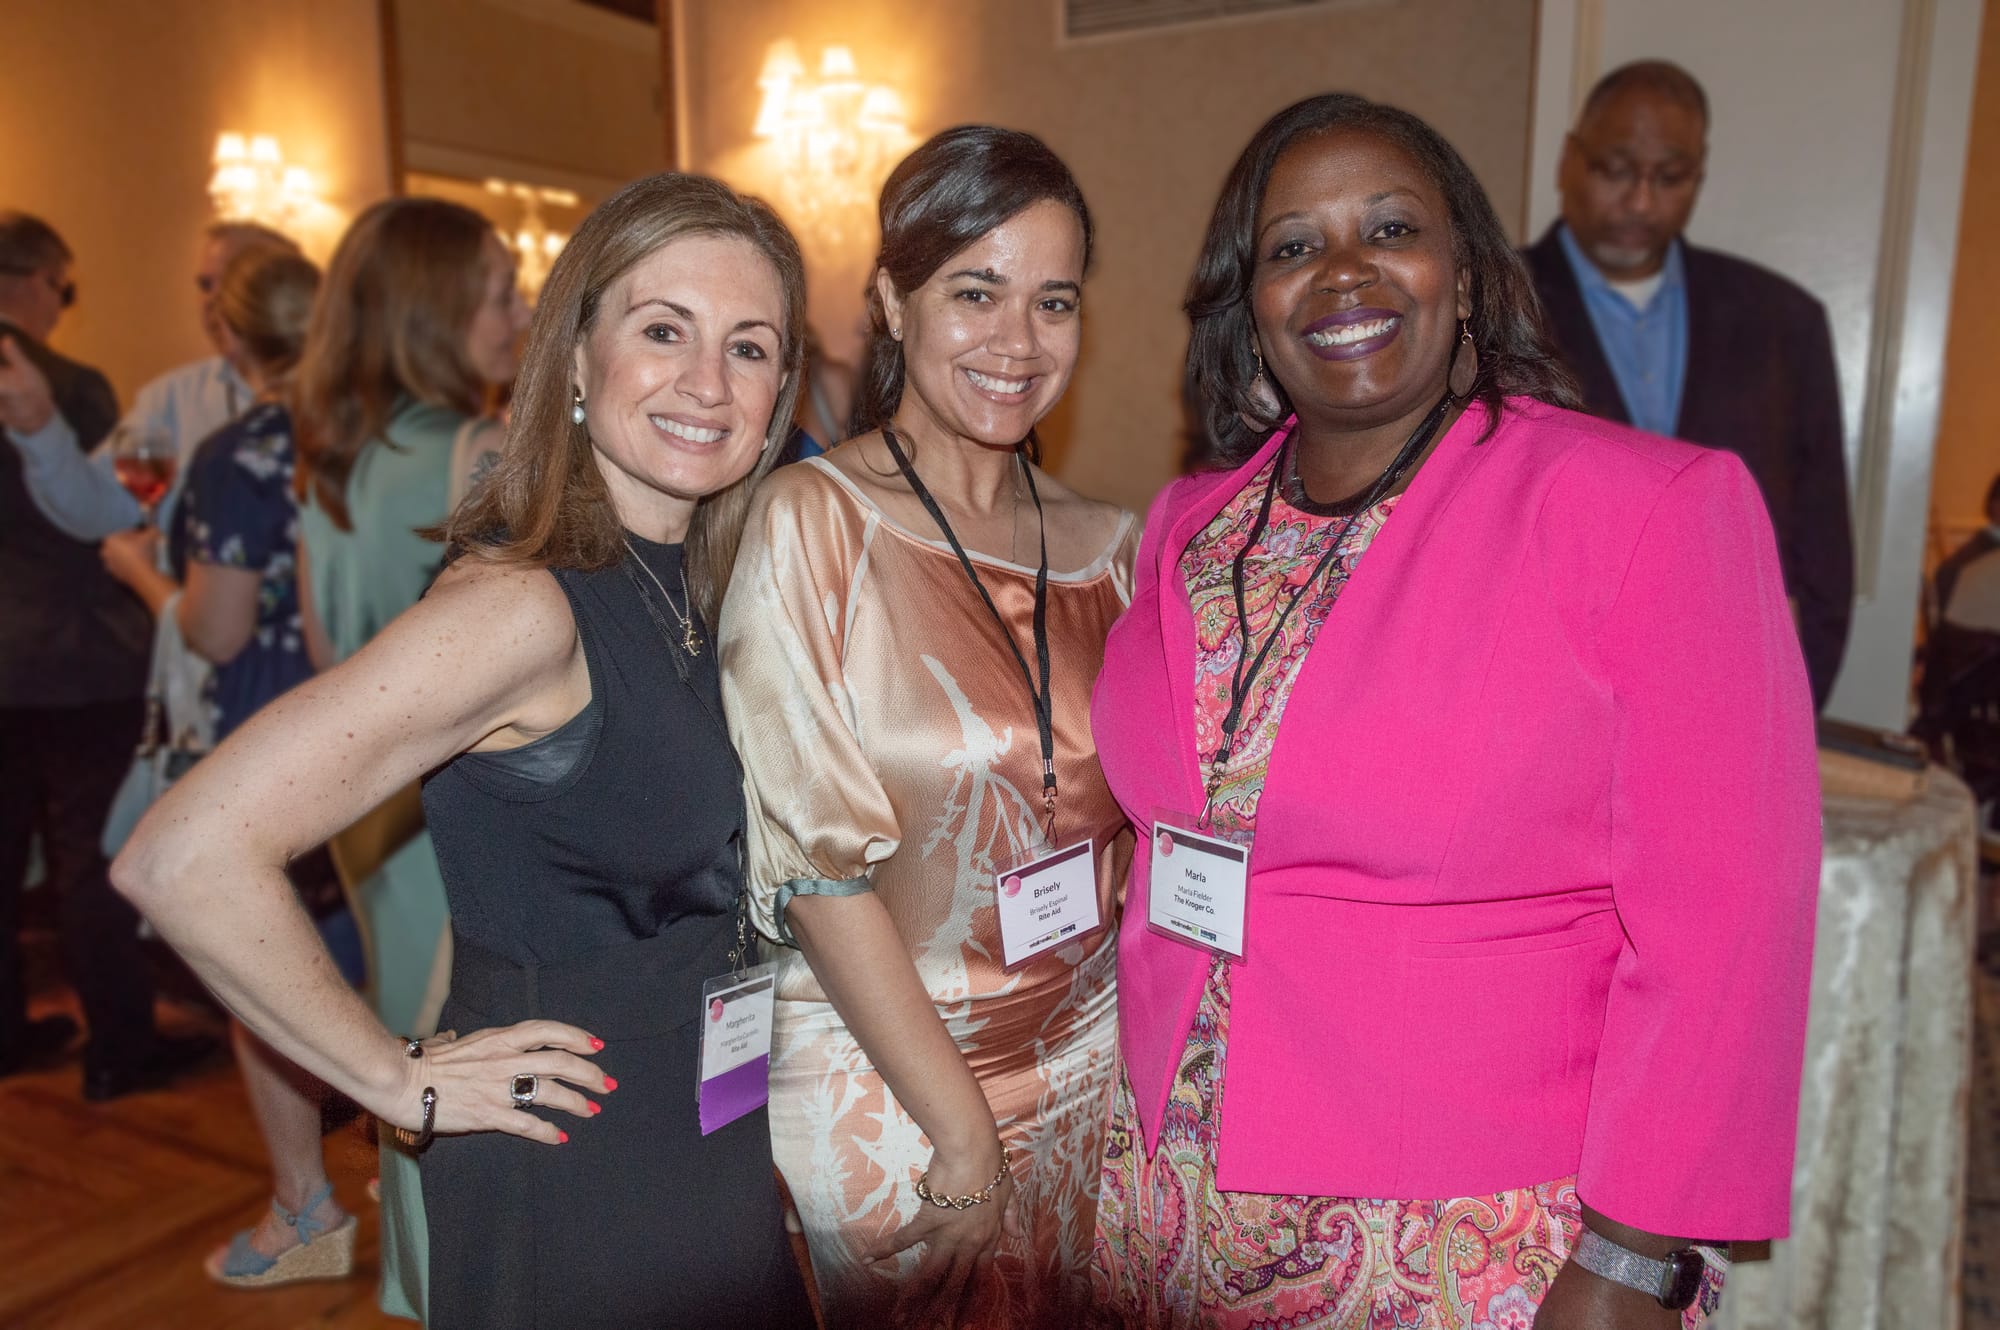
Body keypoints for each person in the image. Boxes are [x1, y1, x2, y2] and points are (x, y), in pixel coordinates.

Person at [1090, 93, 1820, 1329]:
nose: (1342, 270)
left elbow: (1730, 925)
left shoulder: (1642, 508)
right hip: (1166, 1191)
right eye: (1291, 245)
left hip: (1465, 1229)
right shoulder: (1187, 527)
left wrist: (1634, 1258)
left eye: (1389, 228)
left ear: (1467, 275)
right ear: (1247, 305)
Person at [113, 171, 816, 1329]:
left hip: (700, 1122)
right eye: (662, 330)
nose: (708, 381)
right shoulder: (520, 607)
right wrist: (399, 1079)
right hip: (574, 1163)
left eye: (749, 347)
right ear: (575, 358)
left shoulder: (696, 578)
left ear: (781, 389)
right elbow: (184, 854)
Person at [720, 126, 1135, 1329]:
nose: (1019, 340)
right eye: (974, 292)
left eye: (1052, 300)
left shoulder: (1114, 545)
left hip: (1086, 1060)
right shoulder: (812, 522)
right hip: (889, 1089)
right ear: (893, 305)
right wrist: (961, 1135)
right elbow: (812, 873)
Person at [98, 245, 371, 1288]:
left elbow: (215, 631)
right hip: (383, 728)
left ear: (229, 335)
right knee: (382, 966)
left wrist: (137, 570)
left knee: (262, 977)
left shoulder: (241, 452)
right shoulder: (380, 431)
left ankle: (306, 1207)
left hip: (269, 740)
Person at [290, 195, 528, 1321]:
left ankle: (420, 1284)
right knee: (459, 1052)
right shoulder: (481, 453)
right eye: (499, 292)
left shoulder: (328, 468)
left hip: (363, 811)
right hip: (455, 802)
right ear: (434, 309)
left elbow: (328, 663)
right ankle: (464, 1288)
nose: (520, 314)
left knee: (402, 1048)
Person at [1523, 59, 1852, 710]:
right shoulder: (1488, 307)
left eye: (1670, 177)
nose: (1641, 201)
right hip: (1546, 701)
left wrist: (1787, 708)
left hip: (1732, 697)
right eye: (1616, 169)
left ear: (1698, 177)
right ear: (1568, 161)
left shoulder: (1784, 322)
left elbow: (1823, 548)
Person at [0, 211, 210, 1099]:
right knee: (92, 856)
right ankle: (120, 1045)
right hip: (77, 654)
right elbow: (108, 511)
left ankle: (6, 1034)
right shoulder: (69, 384)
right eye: (65, 285)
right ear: (38, 279)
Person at [9, 221, 300, 543]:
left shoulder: (333, 397)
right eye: (205, 285)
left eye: (233, 281)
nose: (213, 299)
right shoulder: (174, 398)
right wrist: (40, 428)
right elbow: (99, 507)